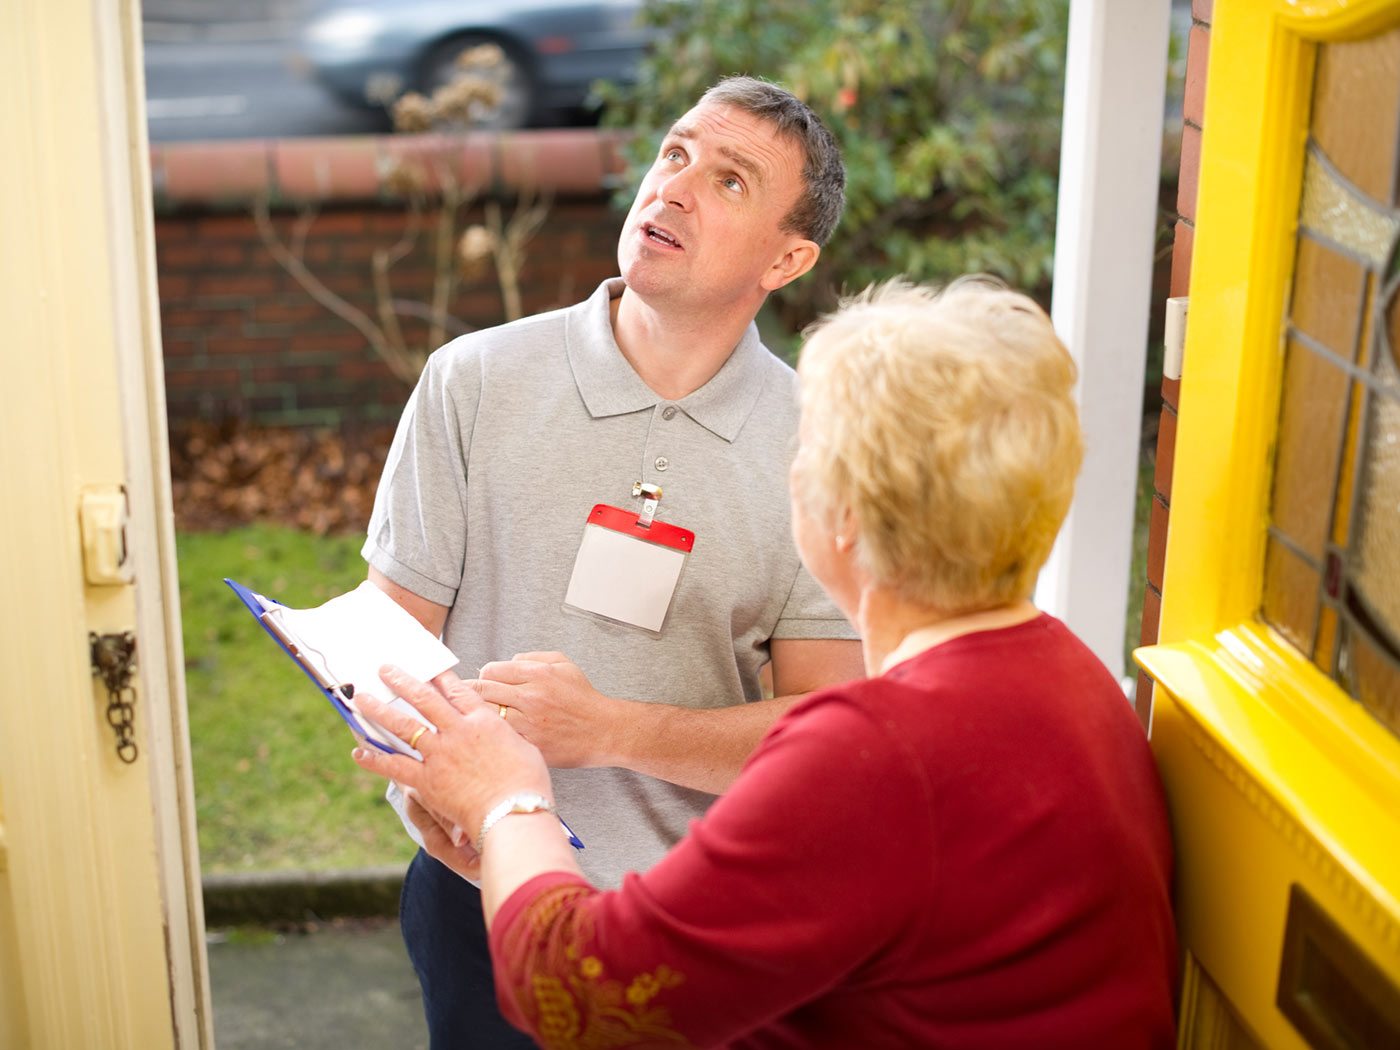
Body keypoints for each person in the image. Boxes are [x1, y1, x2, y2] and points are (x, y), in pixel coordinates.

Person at [353, 278, 1180, 1047]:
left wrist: (508, 803)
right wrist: (515, 864)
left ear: (843, 513)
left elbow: (581, 998)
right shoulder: (1078, 679)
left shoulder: (873, 754)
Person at [362, 76, 864, 1046]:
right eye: (673, 153)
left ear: (788, 256)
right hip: (483, 897)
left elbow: (822, 738)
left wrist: (611, 730)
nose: (671, 187)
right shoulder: (473, 379)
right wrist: (429, 782)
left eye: (727, 181)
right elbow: (389, 645)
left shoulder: (823, 445)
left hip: (697, 918)